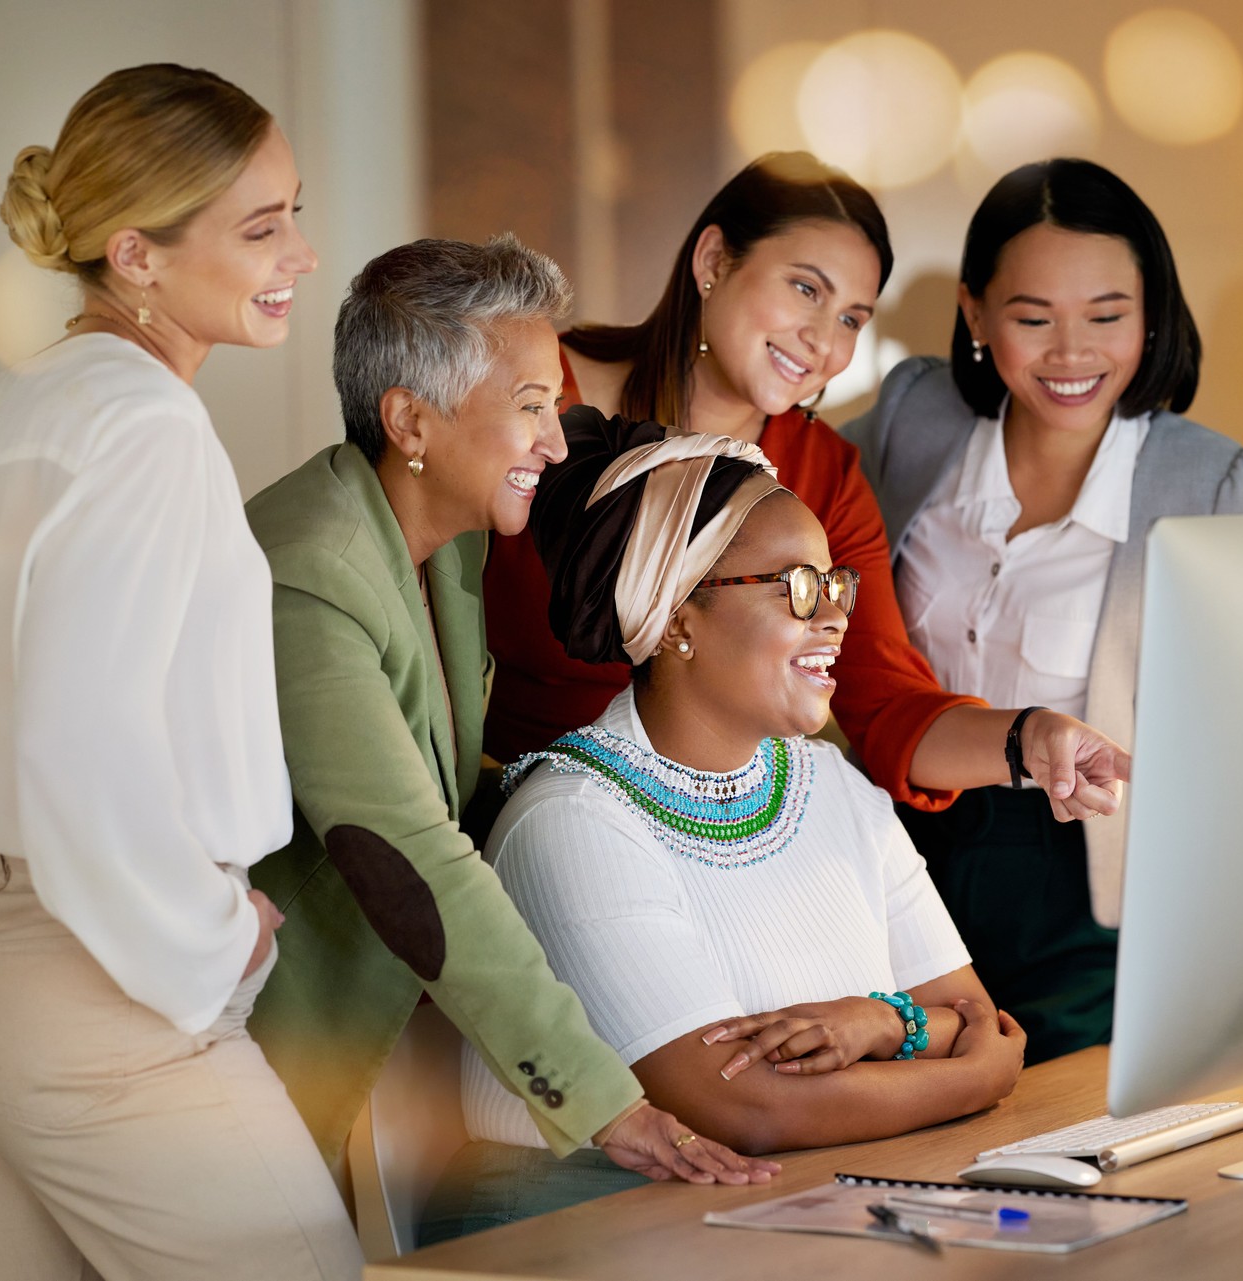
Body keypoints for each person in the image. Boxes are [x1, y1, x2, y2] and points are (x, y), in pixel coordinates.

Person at [0, 65, 364, 1277]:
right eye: (262, 227)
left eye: (294, 213)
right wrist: (209, 943)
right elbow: (83, 742)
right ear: (136, 255)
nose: (301, 255)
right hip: (98, 997)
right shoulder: (145, 428)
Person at [243, 237, 776, 1197]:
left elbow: (445, 780)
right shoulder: (312, 573)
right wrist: (604, 1101)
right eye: (530, 407)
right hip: (229, 1042)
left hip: (345, 1050)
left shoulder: (447, 545)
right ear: (409, 419)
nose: (557, 443)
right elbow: (405, 845)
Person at [435, 410, 1027, 1238]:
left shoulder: (833, 783)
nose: (834, 617)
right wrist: (973, 1074)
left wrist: (877, 1021)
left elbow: (973, 1012)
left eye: (836, 582)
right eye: (797, 586)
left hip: (789, 1208)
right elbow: (743, 1106)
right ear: (677, 616)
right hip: (583, 1231)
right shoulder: (572, 820)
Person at [482, 152, 1127, 827]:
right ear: (713, 262)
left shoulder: (824, 475)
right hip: (527, 811)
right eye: (806, 289)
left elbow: (887, 704)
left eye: (852, 318)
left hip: (719, 827)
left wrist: (1029, 738)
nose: (824, 340)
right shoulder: (533, 392)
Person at [843, 158, 1243, 1064]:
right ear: (974, 314)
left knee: (1056, 1134)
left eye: (1107, 317)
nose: (1071, 354)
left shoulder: (1211, 482)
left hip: (1083, 873)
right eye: (1033, 318)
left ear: (1151, 312)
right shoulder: (913, 418)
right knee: (901, 1123)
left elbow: (1242, 746)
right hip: (895, 847)